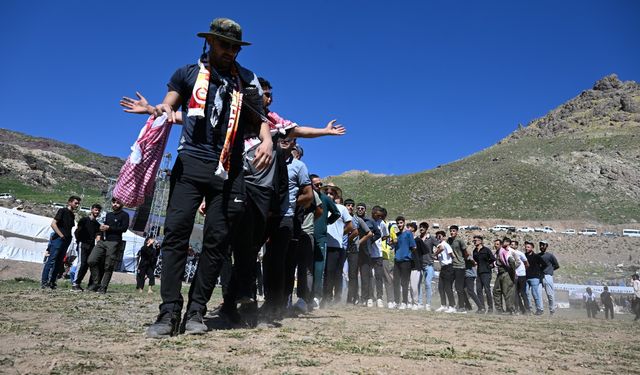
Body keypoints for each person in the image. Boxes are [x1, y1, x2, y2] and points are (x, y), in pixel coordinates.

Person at [131, 18, 272, 338]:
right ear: (210, 42)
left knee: (217, 241)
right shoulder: (186, 73)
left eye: (236, 47)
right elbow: (169, 103)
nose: (231, 51)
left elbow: (259, 119)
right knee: (176, 234)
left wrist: (266, 139)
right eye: (225, 45)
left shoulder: (246, 79)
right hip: (191, 164)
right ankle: (168, 312)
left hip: (230, 170)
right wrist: (157, 109)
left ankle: (197, 311)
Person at [310, 175, 340, 308]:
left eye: (320, 184)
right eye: (316, 184)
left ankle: (316, 296)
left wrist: (326, 222)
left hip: (320, 237)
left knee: (318, 268)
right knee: (305, 268)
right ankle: (305, 297)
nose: (319, 186)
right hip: (305, 235)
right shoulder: (307, 197)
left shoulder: (325, 199)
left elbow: (336, 213)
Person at [88, 198, 130, 294]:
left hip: (114, 241)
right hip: (103, 241)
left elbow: (124, 229)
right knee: (91, 260)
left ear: (122, 204)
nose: (115, 204)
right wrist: (101, 232)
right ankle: (96, 282)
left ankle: (103, 287)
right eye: (114, 202)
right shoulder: (109, 215)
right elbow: (105, 227)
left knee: (108, 265)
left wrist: (109, 228)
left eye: (118, 203)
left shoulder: (125, 215)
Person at [321, 184, 353, 306]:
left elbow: (350, 225)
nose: (329, 195)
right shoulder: (321, 206)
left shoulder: (341, 208)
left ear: (335, 195)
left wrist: (340, 233)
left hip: (335, 245)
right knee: (323, 272)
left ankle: (332, 298)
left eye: (332, 193)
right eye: (327, 193)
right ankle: (323, 296)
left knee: (332, 272)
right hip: (322, 243)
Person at [41, 195, 80, 289]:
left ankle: (52, 282)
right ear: (70, 202)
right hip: (59, 239)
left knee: (59, 262)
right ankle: (44, 282)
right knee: (51, 260)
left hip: (66, 240)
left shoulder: (72, 214)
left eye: (78, 203)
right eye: (75, 203)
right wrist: (61, 235)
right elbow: (53, 224)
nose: (77, 205)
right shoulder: (62, 211)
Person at [71, 203, 101, 291]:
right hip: (83, 244)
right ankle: (75, 283)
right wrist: (79, 241)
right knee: (82, 263)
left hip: (91, 245)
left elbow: (98, 235)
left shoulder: (97, 224)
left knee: (87, 264)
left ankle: (79, 283)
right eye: (96, 210)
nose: (97, 212)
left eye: (98, 210)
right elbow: (77, 231)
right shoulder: (84, 220)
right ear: (91, 210)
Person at [392, 217, 416, 309]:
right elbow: (393, 246)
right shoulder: (396, 235)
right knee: (396, 282)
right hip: (397, 260)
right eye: (398, 223)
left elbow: (414, 247)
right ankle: (396, 301)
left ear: (404, 223)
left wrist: (408, 254)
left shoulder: (408, 233)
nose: (399, 225)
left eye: (401, 223)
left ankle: (404, 302)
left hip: (406, 261)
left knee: (404, 282)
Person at [433, 231, 456, 313]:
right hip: (442, 268)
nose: (438, 237)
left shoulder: (445, 244)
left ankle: (452, 306)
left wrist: (434, 254)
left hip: (448, 267)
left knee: (447, 288)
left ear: (443, 237)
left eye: (439, 236)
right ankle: (443, 305)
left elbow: (452, 255)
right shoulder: (439, 246)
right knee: (441, 287)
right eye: (437, 236)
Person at [493, 237, 516, 314]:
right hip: (500, 273)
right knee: (496, 291)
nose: (496, 246)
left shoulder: (504, 251)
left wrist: (513, 273)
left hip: (506, 273)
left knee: (507, 292)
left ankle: (510, 310)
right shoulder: (497, 253)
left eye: (498, 244)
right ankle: (499, 310)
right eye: (495, 244)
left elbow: (512, 261)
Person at [473, 235, 495, 313]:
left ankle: (490, 307)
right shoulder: (475, 251)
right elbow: (475, 260)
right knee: (478, 290)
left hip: (486, 273)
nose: (474, 241)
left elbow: (493, 259)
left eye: (476, 240)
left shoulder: (486, 250)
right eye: (474, 240)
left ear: (481, 241)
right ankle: (481, 307)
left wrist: (490, 266)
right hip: (479, 272)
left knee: (487, 290)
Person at [417, 222, 437, 311]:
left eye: (423, 227)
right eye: (420, 227)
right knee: (419, 284)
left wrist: (434, 254)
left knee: (428, 283)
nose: (421, 228)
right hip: (420, 265)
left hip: (429, 264)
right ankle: (420, 303)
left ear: (426, 229)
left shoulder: (431, 238)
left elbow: (440, 247)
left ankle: (428, 303)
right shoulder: (417, 239)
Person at [448, 225, 468, 312]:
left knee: (459, 287)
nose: (452, 232)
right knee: (448, 286)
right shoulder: (449, 240)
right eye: (451, 231)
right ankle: (452, 305)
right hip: (452, 266)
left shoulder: (460, 240)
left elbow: (466, 253)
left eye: (453, 231)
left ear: (456, 232)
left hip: (460, 266)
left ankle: (462, 306)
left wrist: (462, 260)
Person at [539, 240, 560, 315]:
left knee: (550, 294)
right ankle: (540, 309)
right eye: (540, 245)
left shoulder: (550, 256)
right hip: (539, 276)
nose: (541, 246)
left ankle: (552, 310)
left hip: (547, 276)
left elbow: (556, 265)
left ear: (546, 246)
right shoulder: (538, 255)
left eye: (543, 245)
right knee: (538, 294)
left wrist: (550, 270)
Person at [524, 241, 544, 315]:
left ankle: (539, 309)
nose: (526, 248)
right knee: (526, 294)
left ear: (532, 248)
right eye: (526, 247)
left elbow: (544, 264)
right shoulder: (523, 256)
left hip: (535, 278)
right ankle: (529, 309)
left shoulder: (536, 256)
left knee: (535, 293)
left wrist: (539, 273)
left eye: (528, 247)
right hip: (526, 277)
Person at [405, 222, 423, 310]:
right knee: (407, 286)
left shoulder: (418, 240)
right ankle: (408, 302)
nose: (407, 228)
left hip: (416, 266)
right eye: (407, 227)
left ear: (413, 229)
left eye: (409, 227)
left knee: (414, 286)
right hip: (407, 265)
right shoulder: (405, 240)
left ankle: (415, 303)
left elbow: (424, 252)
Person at [511, 241, 530, 314]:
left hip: (521, 275)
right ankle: (519, 309)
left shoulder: (520, 253)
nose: (512, 246)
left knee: (523, 293)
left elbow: (527, 263)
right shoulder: (509, 254)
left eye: (513, 245)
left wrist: (521, 270)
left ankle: (527, 309)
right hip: (514, 275)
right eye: (511, 245)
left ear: (516, 246)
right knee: (515, 293)